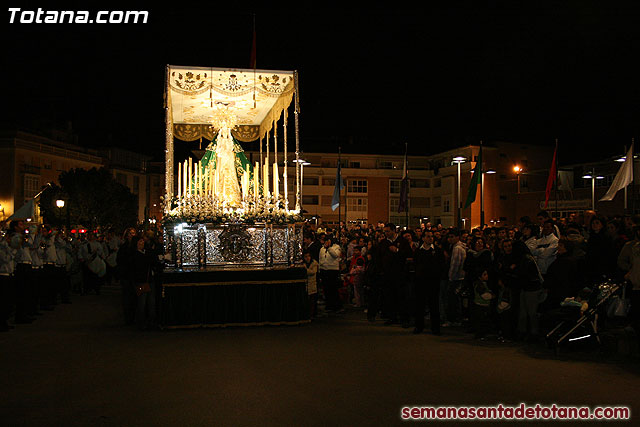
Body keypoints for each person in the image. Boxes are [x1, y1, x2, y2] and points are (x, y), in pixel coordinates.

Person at [413, 230, 445, 335]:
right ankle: (419, 326)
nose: (430, 238)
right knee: (419, 305)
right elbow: (415, 265)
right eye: (427, 236)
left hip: (433, 282)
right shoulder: (418, 251)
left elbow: (441, 266)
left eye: (431, 236)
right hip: (421, 282)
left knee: (434, 305)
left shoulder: (438, 251)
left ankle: (435, 327)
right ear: (423, 238)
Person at [131, 236, 154, 330]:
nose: (142, 243)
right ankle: (141, 322)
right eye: (140, 242)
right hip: (141, 281)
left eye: (142, 242)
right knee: (142, 303)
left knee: (151, 302)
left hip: (149, 280)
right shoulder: (134, 255)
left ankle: (151, 321)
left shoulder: (146, 252)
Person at [446, 228, 466, 326]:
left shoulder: (457, 248)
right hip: (459, 277)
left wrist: (450, 277)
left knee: (453, 300)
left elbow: (455, 265)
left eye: (452, 237)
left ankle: (454, 319)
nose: (450, 239)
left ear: (457, 237)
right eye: (449, 237)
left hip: (456, 278)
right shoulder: (459, 247)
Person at [319, 235, 343, 313]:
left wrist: (329, 248)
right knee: (326, 289)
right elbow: (321, 258)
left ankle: (336, 306)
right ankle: (329, 305)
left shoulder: (336, 247)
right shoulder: (322, 248)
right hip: (324, 270)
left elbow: (335, 255)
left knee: (333, 289)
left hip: (332, 270)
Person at [472, 269, 494, 339]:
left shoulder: (484, 284)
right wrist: (492, 296)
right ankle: (479, 335)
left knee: (483, 321)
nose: (487, 276)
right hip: (480, 305)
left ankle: (481, 334)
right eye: (484, 274)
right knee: (480, 322)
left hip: (484, 305)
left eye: (487, 274)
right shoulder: (479, 284)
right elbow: (484, 295)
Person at [303, 252, 319, 318]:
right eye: (306, 257)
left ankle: (312, 314)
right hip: (306, 284)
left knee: (312, 300)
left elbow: (313, 272)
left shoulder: (314, 263)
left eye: (308, 256)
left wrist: (305, 269)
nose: (307, 258)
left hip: (312, 283)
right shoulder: (303, 264)